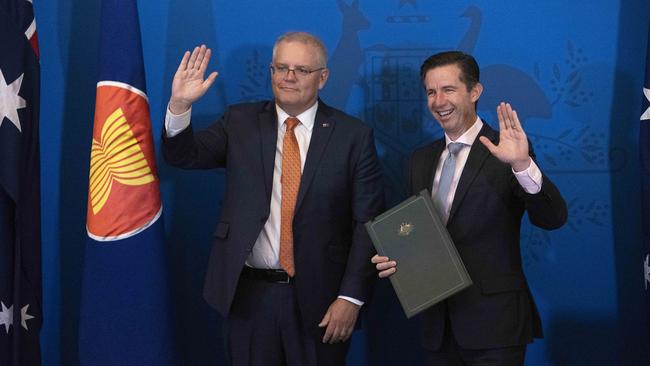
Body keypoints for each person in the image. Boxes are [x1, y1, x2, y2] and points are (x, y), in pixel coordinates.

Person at [162, 31, 383, 366]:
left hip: (322, 298)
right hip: (249, 296)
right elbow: (185, 156)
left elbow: (368, 223)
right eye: (280, 68)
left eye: (300, 70)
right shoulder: (239, 122)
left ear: (322, 78)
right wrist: (180, 106)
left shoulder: (353, 135)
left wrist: (350, 297)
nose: (288, 77)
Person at [372, 51, 568, 366]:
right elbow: (421, 235)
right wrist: (396, 257)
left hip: (495, 328)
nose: (438, 101)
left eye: (448, 89)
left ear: (474, 92)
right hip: (438, 326)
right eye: (431, 92)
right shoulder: (420, 159)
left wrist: (521, 164)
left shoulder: (507, 149)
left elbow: (553, 217)